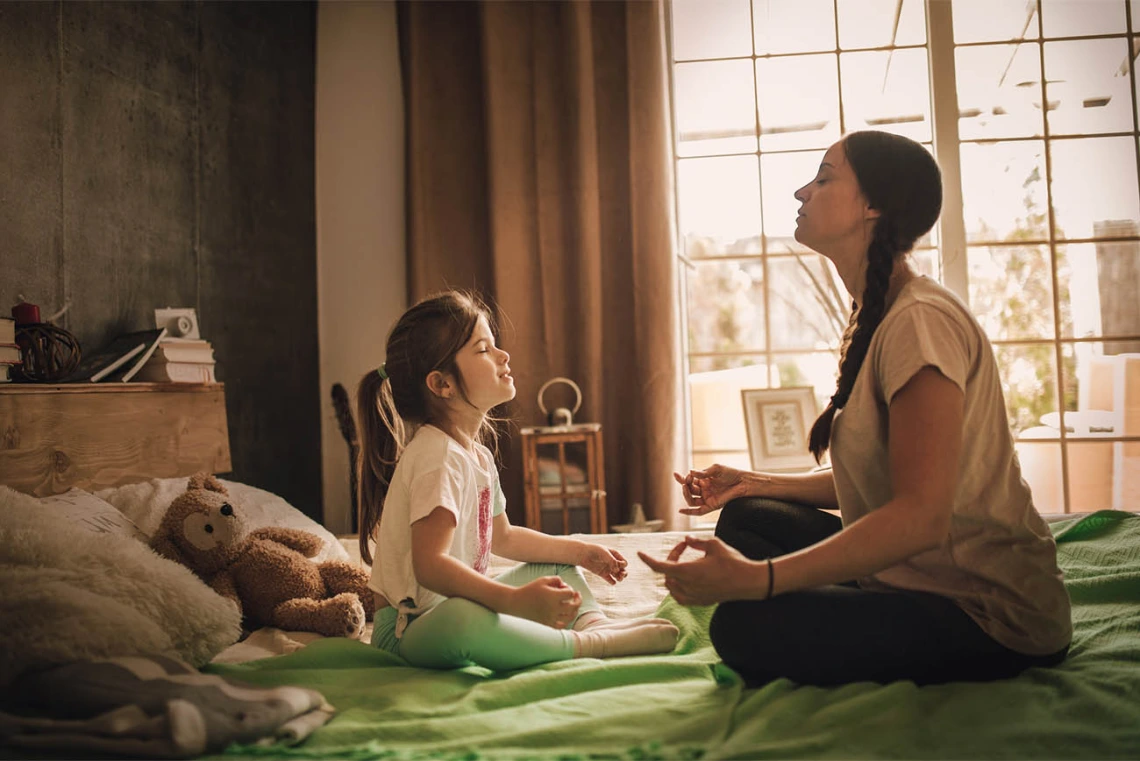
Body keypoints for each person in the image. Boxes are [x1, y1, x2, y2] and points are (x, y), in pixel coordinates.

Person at [639, 130, 1072, 687]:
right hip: (908, 577)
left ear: (873, 206)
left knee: (743, 626)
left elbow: (919, 516)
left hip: (987, 613)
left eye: (823, 178)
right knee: (748, 518)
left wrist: (761, 581)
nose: (802, 192)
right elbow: (876, 479)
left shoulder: (919, 322)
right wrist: (749, 482)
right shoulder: (878, 313)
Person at [357, 290, 678, 671]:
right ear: (442, 384)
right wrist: (508, 601)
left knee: (558, 567)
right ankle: (587, 644)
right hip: (410, 629)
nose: (502, 356)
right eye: (483, 349)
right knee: (463, 617)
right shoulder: (435, 457)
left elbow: (504, 537)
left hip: (448, 606)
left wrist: (581, 552)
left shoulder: (474, 453)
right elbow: (430, 566)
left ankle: (597, 626)